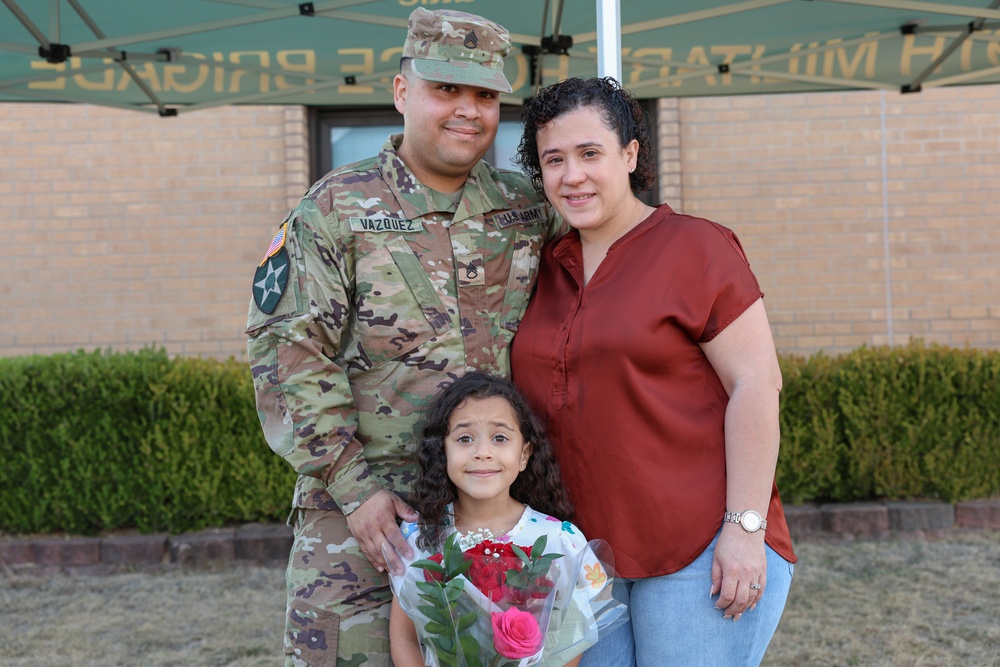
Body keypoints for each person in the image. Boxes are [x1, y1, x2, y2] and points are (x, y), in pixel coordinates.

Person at [245, 8, 562, 666]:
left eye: (483, 94)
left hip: (494, 517)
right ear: (401, 92)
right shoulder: (334, 210)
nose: (467, 110)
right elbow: (290, 360)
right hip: (365, 527)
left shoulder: (527, 213)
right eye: (446, 89)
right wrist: (355, 490)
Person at [510, 76, 798, 666]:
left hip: (698, 546)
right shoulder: (537, 267)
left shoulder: (697, 248)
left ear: (631, 153)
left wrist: (743, 529)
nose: (573, 176)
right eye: (554, 160)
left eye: (590, 153)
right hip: (578, 556)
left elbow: (755, 384)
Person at [387, 372, 626, 667]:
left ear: (524, 454)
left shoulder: (559, 539)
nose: (482, 453)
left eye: (499, 438)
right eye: (464, 438)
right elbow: (404, 637)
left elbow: (570, 640)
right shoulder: (418, 536)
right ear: (442, 452)